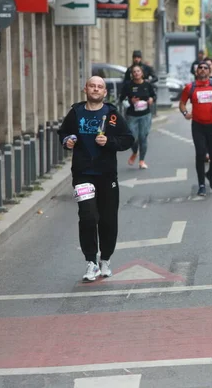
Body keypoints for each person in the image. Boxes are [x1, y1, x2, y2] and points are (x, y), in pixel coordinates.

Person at [57, 76, 134, 282]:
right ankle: (91, 262)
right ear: (85, 89)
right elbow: (64, 133)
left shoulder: (112, 115)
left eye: (100, 87)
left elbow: (128, 139)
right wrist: (68, 141)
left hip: (107, 174)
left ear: (105, 92)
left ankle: (105, 259)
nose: (96, 89)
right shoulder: (76, 112)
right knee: (88, 216)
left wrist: (109, 141)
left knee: (108, 220)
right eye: (92, 86)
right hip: (83, 173)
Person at [179, 60, 212, 197]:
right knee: (200, 154)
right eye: (199, 68)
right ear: (196, 72)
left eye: (205, 68)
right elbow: (182, 103)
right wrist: (185, 113)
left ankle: (210, 174)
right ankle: (201, 184)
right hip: (198, 126)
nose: (202, 69)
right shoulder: (190, 87)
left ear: (209, 71)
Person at [119, 64, 156, 169]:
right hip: (132, 115)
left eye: (138, 71)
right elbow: (122, 99)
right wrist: (131, 102)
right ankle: (135, 152)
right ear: (132, 74)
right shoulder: (128, 85)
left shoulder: (147, 85)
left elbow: (153, 96)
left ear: (142, 73)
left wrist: (151, 100)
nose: (136, 73)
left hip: (145, 115)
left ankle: (141, 161)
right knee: (132, 138)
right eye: (134, 72)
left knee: (143, 137)